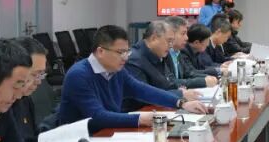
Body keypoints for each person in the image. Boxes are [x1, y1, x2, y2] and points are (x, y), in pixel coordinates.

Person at [57, 25, 209, 133]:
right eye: (120, 52)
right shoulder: (79, 75)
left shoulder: (116, 70)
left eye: (127, 51)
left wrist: (181, 103)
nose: (125, 57)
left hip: (107, 134)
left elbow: (143, 90)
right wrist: (139, 119)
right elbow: (97, 116)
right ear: (101, 51)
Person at [123, 21, 203, 110]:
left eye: (172, 42)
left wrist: (180, 90)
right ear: (153, 38)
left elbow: (168, 83)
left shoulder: (159, 54)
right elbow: (142, 96)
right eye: (169, 41)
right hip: (138, 112)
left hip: (159, 108)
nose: (171, 46)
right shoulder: (134, 60)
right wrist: (180, 94)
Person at [8, 36, 57, 142]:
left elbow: (32, 137)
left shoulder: (25, 99)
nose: (39, 82)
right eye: (35, 74)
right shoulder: (1, 105)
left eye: (41, 74)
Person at [166, 16, 219, 88]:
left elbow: (188, 73)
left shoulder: (177, 52)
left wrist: (207, 77)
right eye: (183, 33)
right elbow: (171, 82)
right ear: (170, 34)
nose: (186, 38)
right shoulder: (165, 54)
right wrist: (203, 81)